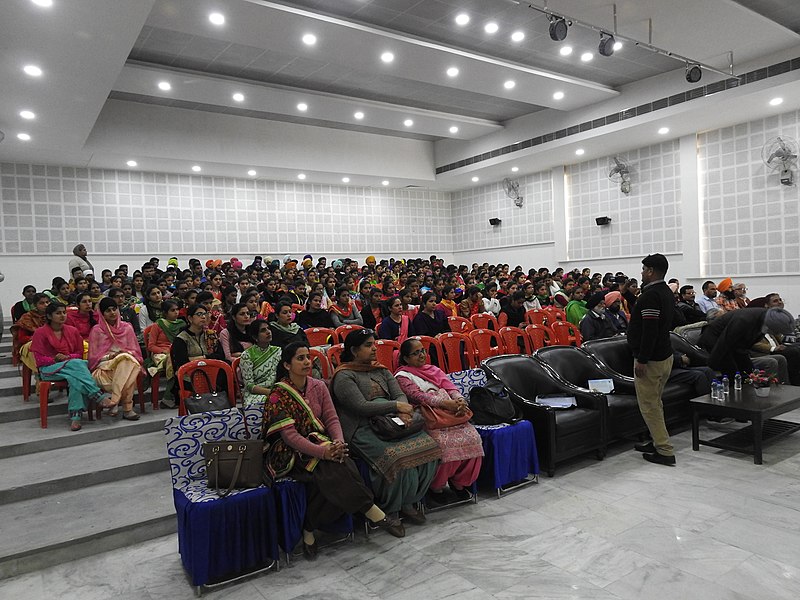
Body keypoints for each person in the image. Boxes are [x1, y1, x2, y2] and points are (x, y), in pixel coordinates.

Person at [264, 342, 404, 557]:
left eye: (308, 357)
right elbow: (289, 436)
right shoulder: (278, 394)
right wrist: (323, 452)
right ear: (286, 365)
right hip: (289, 452)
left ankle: (309, 527)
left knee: (340, 464)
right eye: (300, 358)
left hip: (324, 443)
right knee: (334, 468)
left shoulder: (318, 386)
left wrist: (338, 443)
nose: (307, 362)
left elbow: (331, 418)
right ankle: (372, 511)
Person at [331, 329, 440, 527]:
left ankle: (409, 502)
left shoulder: (380, 370)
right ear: (354, 351)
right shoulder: (344, 376)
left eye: (374, 344)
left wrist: (402, 412)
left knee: (429, 446)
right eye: (368, 345)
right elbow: (360, 407)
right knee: (396, 457)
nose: (374, 349)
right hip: (362, 428)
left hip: (392, 422)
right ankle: (391, 509)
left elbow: (399, 394)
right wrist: (396, 406)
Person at [395, 338, 483, 506]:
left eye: (423, 351)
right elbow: (418, 397)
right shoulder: (402, 376)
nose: (421, 355)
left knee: (474, 438)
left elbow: (451, 388)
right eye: (416, 353)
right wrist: (446, 403)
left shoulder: (433, 369)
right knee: (444, 445)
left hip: (451, 412)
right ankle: (437, 487)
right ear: (406, 358)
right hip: (430, 416)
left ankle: (459, 483)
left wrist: (459, 401)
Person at [627, 254, 676, 467]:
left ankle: (664, 451)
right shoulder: (665, 292)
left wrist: (642, 358)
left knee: (650, 406)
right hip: (665, 355)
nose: (641, 273)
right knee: (655, 402)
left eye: (643, 269)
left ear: (650, 271)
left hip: (652, 359)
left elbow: (650, 330)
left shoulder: (650, 296)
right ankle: (656, 442)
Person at [31, 303, 111, 431]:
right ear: (49, 316)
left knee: (75, 377)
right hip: (49, 369)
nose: (62, 315)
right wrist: (55, 359)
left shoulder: (72, 331)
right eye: (58, 313)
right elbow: (39, 360)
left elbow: (79, 353)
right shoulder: (40, 333)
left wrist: (67, 358)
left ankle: (76, 417)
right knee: (77, 366)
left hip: (72, 366)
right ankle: (97, 395)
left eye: (64, 312)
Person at [699, 307, 796, 382]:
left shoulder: (766, 318)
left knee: (750, 372)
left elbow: (746, 345)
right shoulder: (743, 320)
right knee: (732, 373)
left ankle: (748, 396)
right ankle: (734, 401)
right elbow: (724, 343)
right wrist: (712, 364)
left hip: (736, 344)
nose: (777, 333)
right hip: (715, 340)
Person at [87, 297, 144, 420]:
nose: (112, 313)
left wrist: (124, 353)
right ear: (102, 314)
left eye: (114, 309)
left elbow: (136, 352)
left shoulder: (127, 328)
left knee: (126, 359)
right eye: (108, 310)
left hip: (127, 364)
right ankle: (127, 408)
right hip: (105, 369)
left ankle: (114, 400)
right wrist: (111, 356)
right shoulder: (97, 330)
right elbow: (92, 358)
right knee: (129, 369)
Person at [144, 299, 184, 408]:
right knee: (173, 360)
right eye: (172, 310)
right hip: (160, 354)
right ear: (165, 313)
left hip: (174, 352)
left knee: (178, 359)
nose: (176, 312)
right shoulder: (158, 325)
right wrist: (165, 351)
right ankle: (167, 398)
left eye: (177, 310)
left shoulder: (182, 324)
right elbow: (151, 346)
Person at [240, 320, 282, 407]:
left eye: (268, 329)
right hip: (255, 394)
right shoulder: (247, 355)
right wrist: (270, 393)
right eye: (263, 330)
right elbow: (249, 386)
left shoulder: (277, 351)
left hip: (277, 389)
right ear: (255, 337)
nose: (268, 332)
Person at [12, 292, 50, 370]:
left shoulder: (53, 315)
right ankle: (42, 373)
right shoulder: (27, 317)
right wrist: (38, 338)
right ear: (35, 305)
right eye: (42, 303)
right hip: (30, 345)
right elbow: (22, 338)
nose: (46, 305)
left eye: (47, 302)